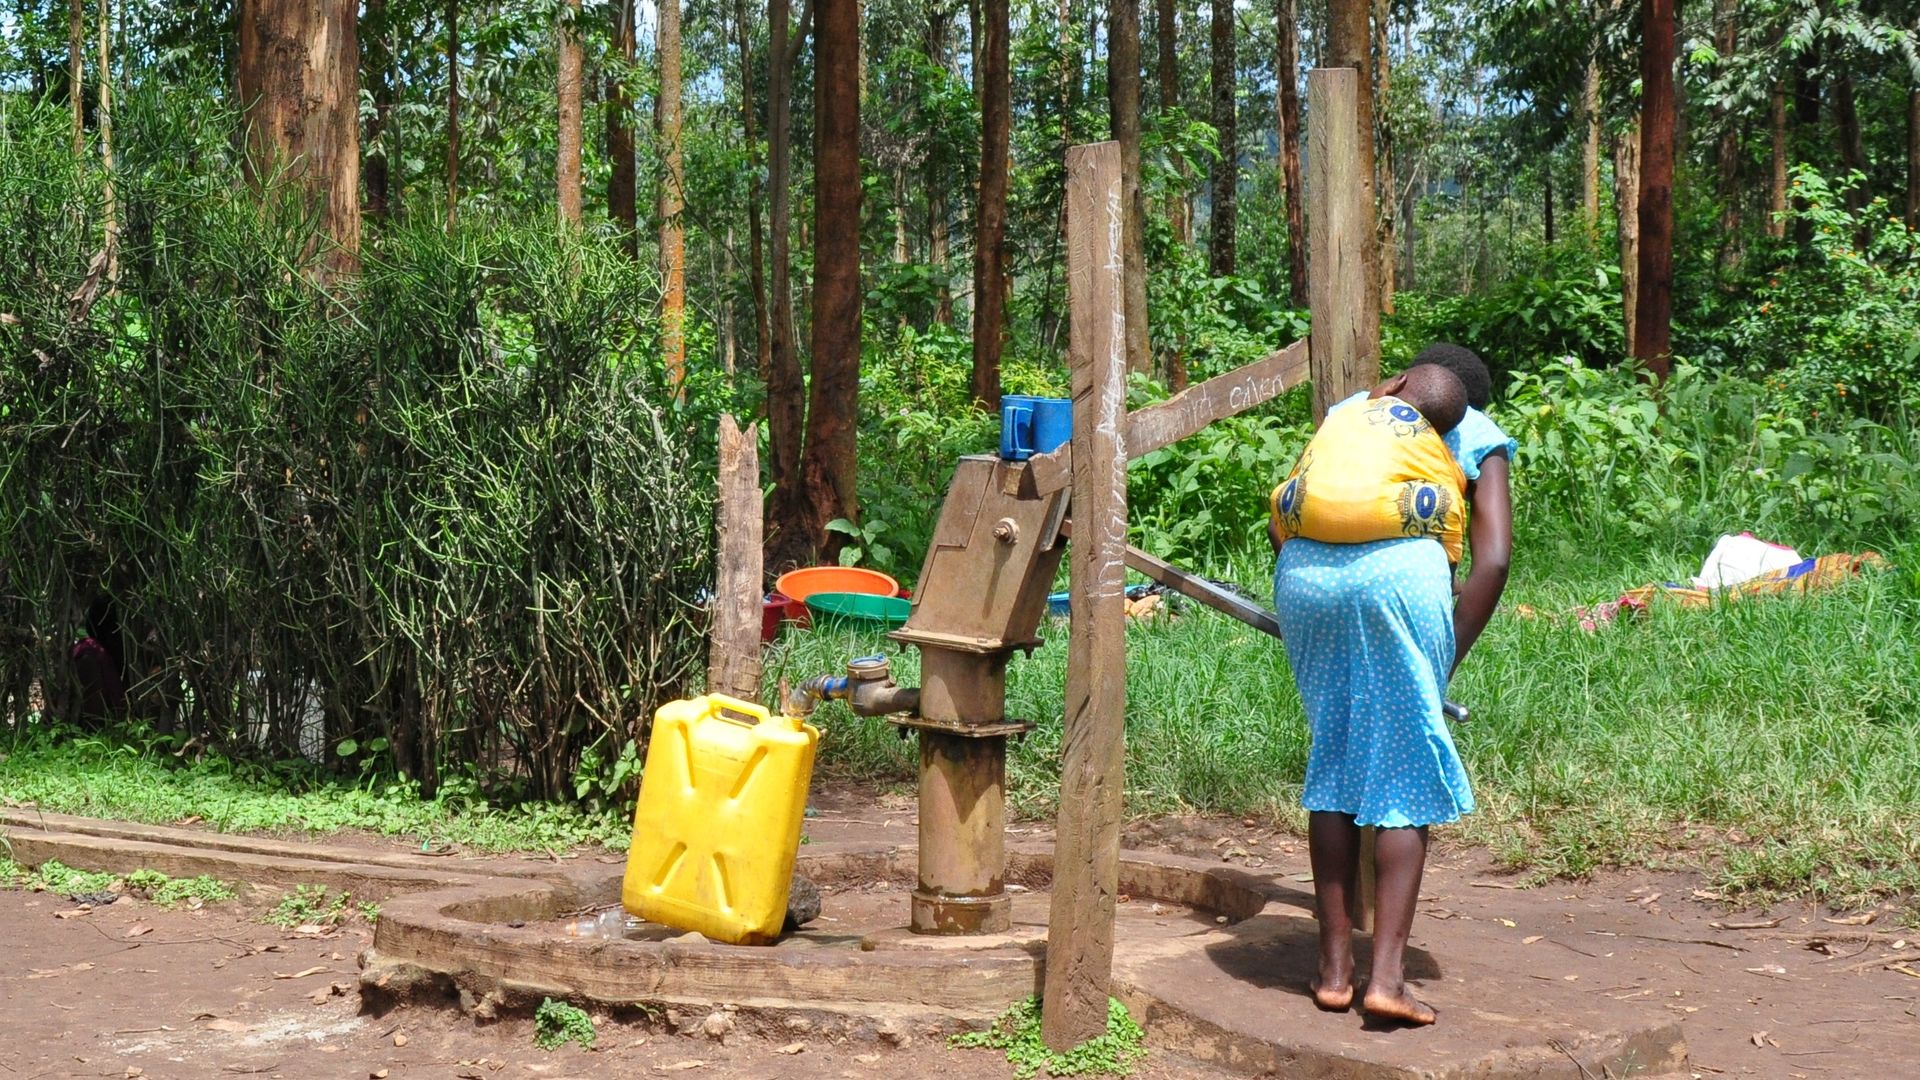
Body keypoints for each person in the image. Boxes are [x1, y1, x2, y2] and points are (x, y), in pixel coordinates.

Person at [1271, 345, 1514, 1026]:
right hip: (1400, 578)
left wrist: (1318, 591)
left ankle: (1332, 970)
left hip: (1306, 577)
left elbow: (1289, 513)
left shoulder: (1352, 413)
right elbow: (1491, 559)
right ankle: (1387, 979)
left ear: (1402, 381)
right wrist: (1440, 658)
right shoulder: (1477, 431)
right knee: (1404, 771)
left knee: (1336, 756)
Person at [1268, 364, 1470, 561]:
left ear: (1397, 383)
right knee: (1445, 501)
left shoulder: (1344, 414)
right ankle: (1450, 581)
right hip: (1387, 514)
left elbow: (1304, 468)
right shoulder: (1430, 438)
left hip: (1307, 511)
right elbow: (1454, 481)